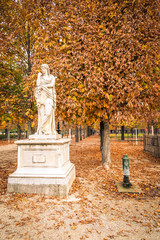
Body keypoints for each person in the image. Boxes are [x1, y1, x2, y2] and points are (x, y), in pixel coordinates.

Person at [35, 64, 57, 135]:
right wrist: (38, 76)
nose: (43, 70)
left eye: (44, 68)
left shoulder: (51, 77)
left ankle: (42, 128)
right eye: (42, 69)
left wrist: (43, 86)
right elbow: (38, 85)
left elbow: (52, 84)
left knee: (48, 113)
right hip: (42, 96)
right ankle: (43, 131)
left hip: (49, 96)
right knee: (42, 113)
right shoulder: (41, 78)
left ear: (47, 69)